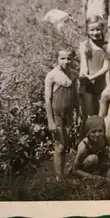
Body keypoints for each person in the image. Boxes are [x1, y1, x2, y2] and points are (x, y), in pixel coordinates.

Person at [44, 48, 79, 180]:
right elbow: (47, 99)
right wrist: (50, 120)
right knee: (59, 145)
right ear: (57, 59)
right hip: (56, 113)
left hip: (68, 114)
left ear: (73, 59)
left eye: (69, 58)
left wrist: (78, 112)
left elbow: (75, 95)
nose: (66, 61)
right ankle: (59, 178)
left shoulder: (74, 74)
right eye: (62, 58)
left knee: (65, 144)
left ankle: (62, 174)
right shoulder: (52, 75)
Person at [79, 16, 110, 137]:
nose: (95, 33)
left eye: (98, 29)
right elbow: (84, 63)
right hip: (88, 85)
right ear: (87, 31)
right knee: (88, 115)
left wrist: (92, 77)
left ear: (102, 29)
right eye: (92, 30)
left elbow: (106, 67)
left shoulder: (106, 46)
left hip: (100, 85)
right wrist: (84, 76)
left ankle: (102, 140)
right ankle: (87, 141)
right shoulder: (85, 45)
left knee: (101, 114)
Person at [72, 115, 110, 180]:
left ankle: (108, 172)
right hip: (85, 168)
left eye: (100, 131)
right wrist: (93, 177)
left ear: (104, 131)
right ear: (87, 133)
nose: (97, 135)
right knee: (93, 158)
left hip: (101, 163)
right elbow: (75, 170)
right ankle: (91, 175)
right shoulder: (83, 146)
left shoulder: (108, 139)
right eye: (93, 132)